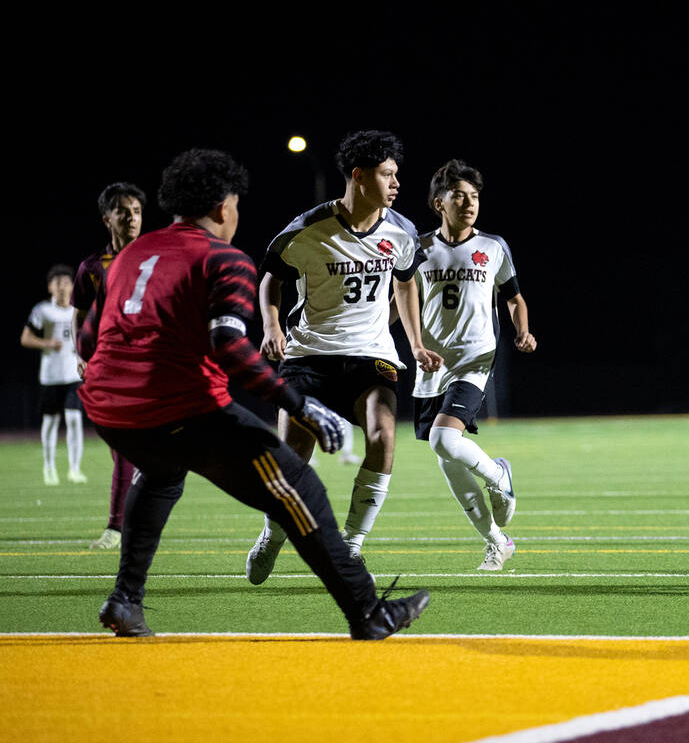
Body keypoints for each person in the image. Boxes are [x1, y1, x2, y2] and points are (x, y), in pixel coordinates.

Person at [76, 148, 428, 638]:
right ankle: (368, 613)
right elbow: (230, 347)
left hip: (108, 409)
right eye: (236, 204)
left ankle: (125, 600)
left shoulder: (129, 256)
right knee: (299, 487)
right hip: (181, 409)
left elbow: (89, 339)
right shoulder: (223, 259)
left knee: (159, 473)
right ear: (223, 207)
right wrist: (297, 402)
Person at [246, 130, 442, 582]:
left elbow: (405, 282)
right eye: (386, 174)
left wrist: (413, 341)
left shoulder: (402, 231)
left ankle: (351, 545)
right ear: (359, 175)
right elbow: (270, 280)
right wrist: (272, 326)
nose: (396, 183)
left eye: (397, 174)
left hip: (371, 355)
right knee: (293, 456)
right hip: (309, 355)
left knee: (383, 434)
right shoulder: (306, 230)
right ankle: (274, 534)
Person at [411, 160, 534, 571]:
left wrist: (522, 331)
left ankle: (500, 476)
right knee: (446, 456)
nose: (469, 203)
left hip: (474, 359)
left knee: (444, 441)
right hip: (430, 365)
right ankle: (497, 541)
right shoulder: (418, 248)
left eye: (475, 197)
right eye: (459, 196)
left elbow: (514, 297)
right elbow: (402, 299)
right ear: (438, 202)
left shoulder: (494, 247)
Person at [74, 182, 146, 549]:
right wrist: (81, 356)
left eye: (136, 211)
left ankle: (127, 525)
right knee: (124, 450)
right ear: (107, 219)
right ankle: (118, 528)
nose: (132, 218)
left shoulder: (155, 258)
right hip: (111, 368)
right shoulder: (91, 268)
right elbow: (81, 314)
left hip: (152, 366)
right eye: (124, 211)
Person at [21, 265, 86, 485]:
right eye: (58, 283)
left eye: (66, 283)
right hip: (50, 376)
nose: (62, 288)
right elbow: (25, 338)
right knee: (50, 422)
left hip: (72, 375)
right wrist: (46, 343)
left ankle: (74, 469)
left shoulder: (78, 310)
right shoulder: (42, 310)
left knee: (75, 420)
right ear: (50, 287)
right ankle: (49, 468)